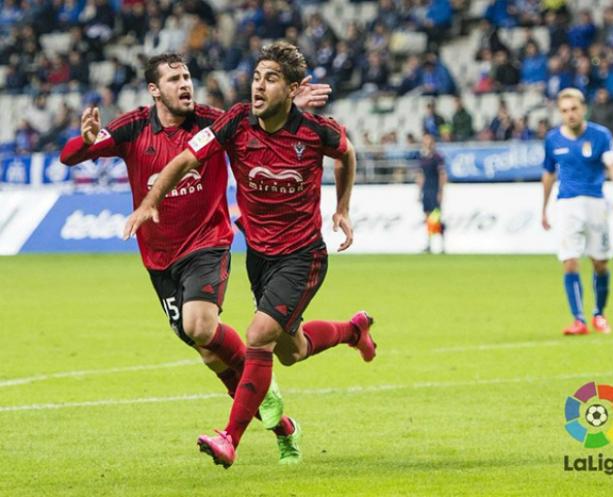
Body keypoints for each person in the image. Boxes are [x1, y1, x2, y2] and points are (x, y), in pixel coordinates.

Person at [60, 52, 332, 464]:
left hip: (208, 242)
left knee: (200, 324)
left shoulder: (211, 121)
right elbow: (70, 157)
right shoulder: (133, 126)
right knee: (209, 351)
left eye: (187, 76)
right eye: (173, 79)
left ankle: (252, 399)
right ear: (154, 90)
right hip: (159, 259)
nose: (185, 84)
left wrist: (290, 108)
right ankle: (281, 425)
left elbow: (261, 125)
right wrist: (85, 139)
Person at [124, 42, 377, 469]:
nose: (258, 86)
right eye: (257, 78)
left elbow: (346, 153)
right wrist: (151, 200)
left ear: (293, 88)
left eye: (270, 79)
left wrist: (343, 208)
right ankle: (354, 331)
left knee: (258, 335)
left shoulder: (317, 131)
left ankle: (230, 438)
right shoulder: (237, 122)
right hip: (259, 256)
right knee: (291, 350)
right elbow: (185, 158)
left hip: (302, 256)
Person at [541, 88, 613, 336]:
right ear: (560, 112)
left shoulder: (601, 135)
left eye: (574, 109)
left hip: (595, 204)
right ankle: (578, 320)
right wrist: (544, 208)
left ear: (583, 108)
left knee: (599, 262)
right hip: (566, 203)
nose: (570, 114)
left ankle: (599, 313)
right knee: (569, 261)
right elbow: (548, 174)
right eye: (565, 110)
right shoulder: (553, 139)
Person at [417, 133, 447, 253]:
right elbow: (421, 175)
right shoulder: (423, 157)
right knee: (427, 218)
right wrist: (419, 191)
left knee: (436, 218)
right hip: (426, 190)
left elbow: (442, 175)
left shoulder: (437, 157)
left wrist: (441, 191)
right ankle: (429, 244)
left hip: (434, 189)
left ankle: (442, 244)